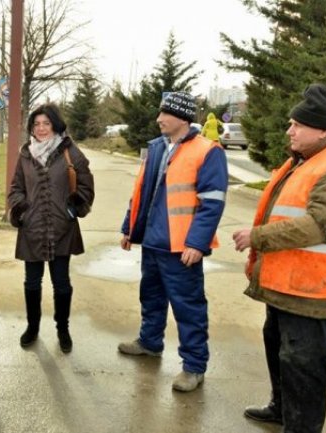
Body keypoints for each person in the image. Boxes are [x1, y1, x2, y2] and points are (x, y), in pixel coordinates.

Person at [232, 83, 326, 432]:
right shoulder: (308, 160)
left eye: (297, 124)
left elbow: (319, 226)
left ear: (322, 129)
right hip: (286, 283)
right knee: (280, 350)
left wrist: (258, 236)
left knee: (304, 365)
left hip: (309, 289)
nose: (288, 130)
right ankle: (281, 408)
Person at [117, 91, 228, 392]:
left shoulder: (208, 151)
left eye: (164, 114)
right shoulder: (156, 148)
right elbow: (140, 191)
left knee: (188, 307)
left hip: (181, 247)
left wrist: (196, 243)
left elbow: (213, 202)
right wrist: (130, 228)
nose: (158, 119)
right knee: (150, 297)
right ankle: (150, 342)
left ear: (181, 117)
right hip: (153, 242)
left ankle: (194, 367)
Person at [7, 104, 94, 353]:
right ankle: (32, 327)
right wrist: (21, 209)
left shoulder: (70, 152)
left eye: (46, 123)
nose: (41, 128)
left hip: (61, 227)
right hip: (32, 228)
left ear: (55, 125)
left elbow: (86, 185)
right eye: (37, 124)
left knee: (61, 283)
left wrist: (73, 210)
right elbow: (16, 188)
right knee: (32, 283)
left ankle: (62, 329)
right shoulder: (26, 154)